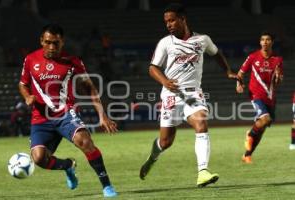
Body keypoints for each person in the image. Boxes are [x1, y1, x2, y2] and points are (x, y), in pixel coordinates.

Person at [139, 3, 238, 187]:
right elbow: (152, 68)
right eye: (166, 21)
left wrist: (228, 71)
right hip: (170, 94)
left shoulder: (202, 40)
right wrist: (165, 82)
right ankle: (152, 158)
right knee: (166, 141)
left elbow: (216, 53)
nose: (168, 24)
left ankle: (202, 172)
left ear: (183, 19)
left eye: (172, 20)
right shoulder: (165, 43)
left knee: (201, 122)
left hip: (193, 94)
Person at [19, 24, 118, 198]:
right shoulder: (30, 60)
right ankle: (68, 166)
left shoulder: (73, 62)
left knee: (85, 142)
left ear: (62, 42)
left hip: (65, 113)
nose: (51, 47)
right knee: (39, 158)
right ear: (41, 41)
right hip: (41, 118)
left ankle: (107, 186)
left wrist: (102, 116)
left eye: (55, 43)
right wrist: (27, 96)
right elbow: (23, 84)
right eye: (48, 42)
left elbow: (90, 89)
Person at [236, 31, 283, 163]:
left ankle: (247, 154)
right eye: (262, 40)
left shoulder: (278, 60)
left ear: (272, 42)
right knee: (265, 120)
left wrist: (279, 77)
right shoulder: (253, 57)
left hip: (270, 97)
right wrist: (239, 84)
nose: (264, 42)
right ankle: (250, 134)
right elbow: (240, 73)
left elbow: (278, 82)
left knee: (262, 128)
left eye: (268, 40)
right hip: (255, 94)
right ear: (260, 42)